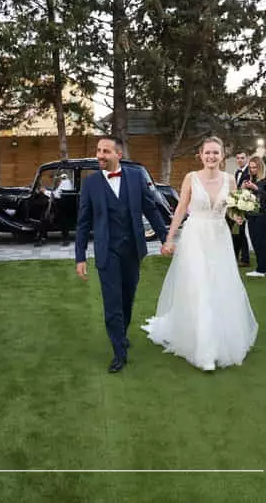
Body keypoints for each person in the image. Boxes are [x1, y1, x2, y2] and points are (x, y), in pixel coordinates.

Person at [142, 137, 258, 371]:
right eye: (208, 153)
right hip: (195, 237)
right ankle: (205, 351)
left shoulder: (229, 180)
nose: (211, 157)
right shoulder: (191, 178)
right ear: (201, 155)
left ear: (222, 155)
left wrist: (239, 215)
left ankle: (221, 339)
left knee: (220, 286)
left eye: (216, 153)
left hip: (220, 237)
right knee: (200, 287)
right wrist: (168, 237)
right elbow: (181, 209)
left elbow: (233, 212)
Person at [74, 137, 170, 373]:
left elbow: (151, 209)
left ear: (118, 154)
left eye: (105, 151)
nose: (100, 155)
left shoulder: (136, 177)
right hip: (107, 251)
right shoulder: (91, 183)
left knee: (127, 297)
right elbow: (83, 222)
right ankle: (119, 351)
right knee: (112, 302)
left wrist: (165, 237)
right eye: (98, 151)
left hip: (133, 250)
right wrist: (80, 256)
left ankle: (121, 333)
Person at [243, 155, 266, 277]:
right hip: (251, 213)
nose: (252, 170)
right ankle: (264, 267)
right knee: (254, 240)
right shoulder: (248, 178)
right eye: (251, 167)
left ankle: (261, 269)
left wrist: (256, 188)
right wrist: (244, 188)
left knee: (260, 241)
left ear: (260, 167)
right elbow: (242, 194)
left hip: (263, 214)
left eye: (255, 167)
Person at [229, 150, 251, 266]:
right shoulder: (238, 172)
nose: (240, 160)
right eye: (238, 158)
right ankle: (237, 257)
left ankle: (245, 259)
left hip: (244, 206)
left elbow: (245, 190)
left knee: (241, 233)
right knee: (237, 233)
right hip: (236, 205)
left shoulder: (249, 172)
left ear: (246, 158)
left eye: (242, 158)